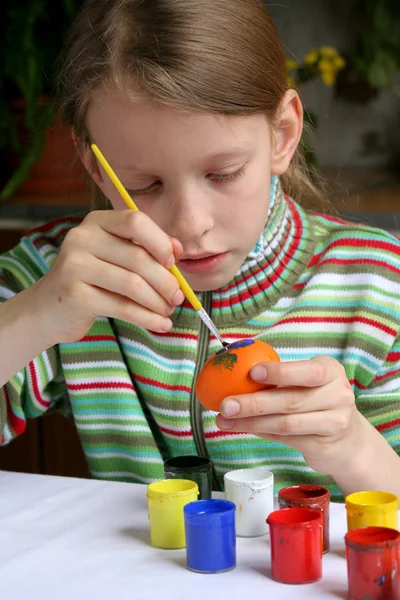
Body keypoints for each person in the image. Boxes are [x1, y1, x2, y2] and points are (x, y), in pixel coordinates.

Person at [1, 0, 400, 503]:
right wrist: (36, 312)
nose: (191, 224)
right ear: (96, 167)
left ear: (282, 135)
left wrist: (353, 446)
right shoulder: (59, 275)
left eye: (223, 174)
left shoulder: (380, 285)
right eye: (142, 184)